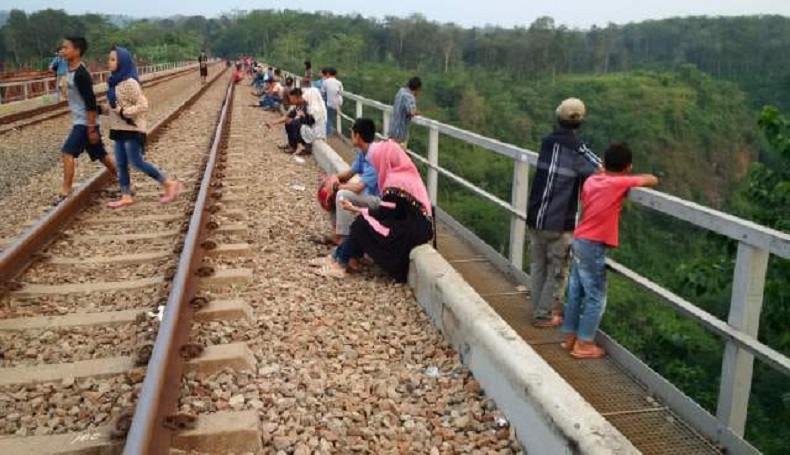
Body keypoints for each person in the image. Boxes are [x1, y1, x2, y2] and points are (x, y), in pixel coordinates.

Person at [561, 143, 658, 359]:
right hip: (593, 244)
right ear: (628, 167)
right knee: (596, 295)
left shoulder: (591, 180)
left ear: (603, 163)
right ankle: (584, 344)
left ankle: (570, 337)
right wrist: (625, 177)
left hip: (579, 238)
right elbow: (652, 180)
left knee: (576, 290)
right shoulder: (620, 183)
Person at [312, 125, 433, 282]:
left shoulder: (396, 180)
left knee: (362, 224)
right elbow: (392, 210)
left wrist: (357, 209)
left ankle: (339, 261)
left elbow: (386, 211)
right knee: (363, 222)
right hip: (412, 226)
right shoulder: (405, 174)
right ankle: (338, 258)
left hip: (410, 232)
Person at [526, 98, 602, 328]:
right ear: (580, 122)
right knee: (558, 270)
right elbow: (600, 169)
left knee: (539, 265)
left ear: (558, 117)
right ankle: (544, 315)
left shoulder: (547, 142)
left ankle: (537, 307)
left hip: (535, 215)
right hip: (559, 221)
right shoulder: (577, 148)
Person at [104, 46, 181, 208]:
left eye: (113, 59)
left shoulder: (130, 82)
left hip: (132, 130)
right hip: (118, 130)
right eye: (109, 59)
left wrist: (124, 112)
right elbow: (115, 108)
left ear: (122, 62)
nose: (109, 62)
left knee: (136, 161)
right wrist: (101, 110)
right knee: (121, 163)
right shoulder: (113, 82)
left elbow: (143, 105)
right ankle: (126, 195)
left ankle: (168, 183)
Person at [56, 36, 117, 205]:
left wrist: (91, 128)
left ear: (77, 50)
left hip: (84, 122)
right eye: (62, 48)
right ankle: (122, 178)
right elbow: (64, 90)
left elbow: (90, 103)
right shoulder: (68, 70)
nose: (63, 50)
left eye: (66, 47)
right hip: (83, 121)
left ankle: (65, 192)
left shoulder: (82, 74)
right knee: (101, 155)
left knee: (67, 152)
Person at [312, 117, 380, 246]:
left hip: (377, 199)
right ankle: (336, 233)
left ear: (357, 135)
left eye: (352, 132)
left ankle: (344, 238)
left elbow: (358, 188)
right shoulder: (363, 152)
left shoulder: (374, 156)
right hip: (366, 194)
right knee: (330, 188)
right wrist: (333, 179)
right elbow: (348, 175)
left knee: (341, 194)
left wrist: (337, 187)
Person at [265, 88, 309, 154]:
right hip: (300, 125)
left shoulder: (305, 105)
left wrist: (293, 120)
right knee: (289, 122)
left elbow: (304, 119)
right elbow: (287, 116)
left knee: (293, 122)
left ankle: (298, 146)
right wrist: (273, 123)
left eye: (293, 99)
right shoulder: (298, 106)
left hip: (306, 127)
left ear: (298, 97)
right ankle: (292, 145)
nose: (291, 101)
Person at [388, 77, 422, 148]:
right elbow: (411, 111)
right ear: (418, 88)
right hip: (400, 134)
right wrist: (417, 112)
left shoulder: (401, 91)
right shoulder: (409, 96)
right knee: (397, 155)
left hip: (392, 129)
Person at [299, 86, 328, 154]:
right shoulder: (320, 105)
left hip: (317, 132)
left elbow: (310, 121)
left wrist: (302, 116)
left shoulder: (315, 108)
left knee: (301, 126)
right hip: (319, 130)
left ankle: (306, 146)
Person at [321, 68, 343, 135]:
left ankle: (329, 132)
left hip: (330, 103)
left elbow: (322, 92)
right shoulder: (339, 82)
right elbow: (341, 92)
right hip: (339, 102)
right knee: (333, 116)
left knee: (328, 117)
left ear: (328, 74)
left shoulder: (325, 82)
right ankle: (333, 129)